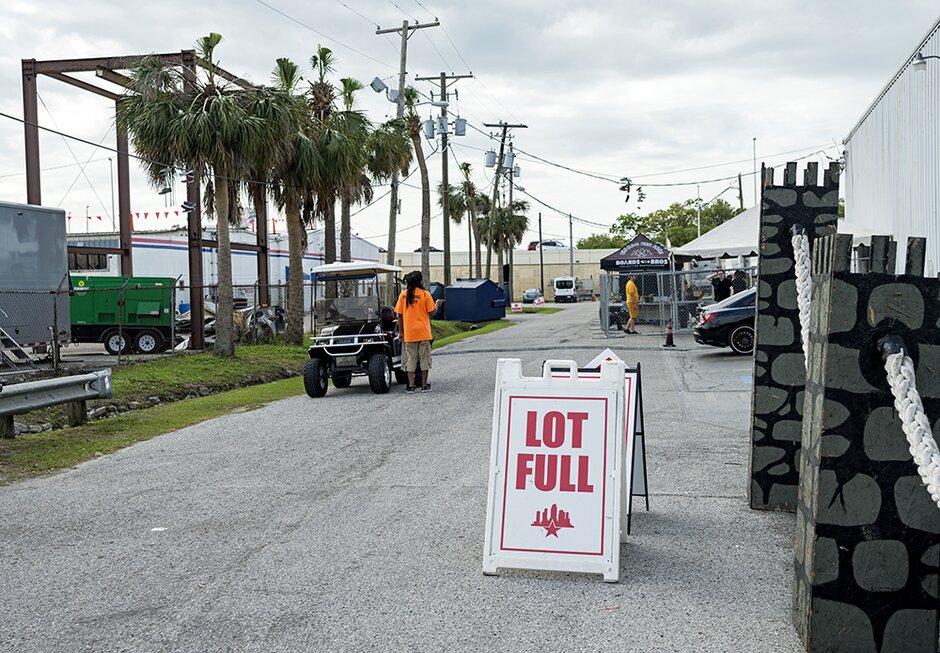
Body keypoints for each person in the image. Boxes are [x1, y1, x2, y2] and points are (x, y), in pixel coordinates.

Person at [395, 271, 443, 393]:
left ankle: (411, 386)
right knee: (424, 359)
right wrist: (437, 305)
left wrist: (401, 332)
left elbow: (399, 316)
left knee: (411, 359)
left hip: (409, 333)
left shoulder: (403, 295)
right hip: (423, 332)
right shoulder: (425, 295)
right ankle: (424, 385)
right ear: (420, 281)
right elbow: (432, 313)